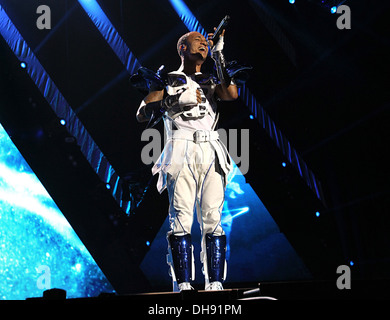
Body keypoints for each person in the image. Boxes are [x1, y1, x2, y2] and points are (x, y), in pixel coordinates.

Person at [136, 29, 238, 291]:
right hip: (180, 147)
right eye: (198, 41)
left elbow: (231, 95)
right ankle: (183, 283)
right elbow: (142, 114)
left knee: (212, 217)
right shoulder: (166, 78)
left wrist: (219, 56)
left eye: (207, 43)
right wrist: (174, 99)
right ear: (182, 47)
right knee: (181, 217)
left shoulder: (213, 78)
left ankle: (214, 281)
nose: (204, 43)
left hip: (211, 148)